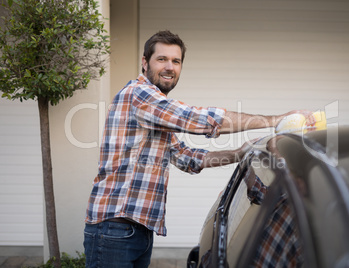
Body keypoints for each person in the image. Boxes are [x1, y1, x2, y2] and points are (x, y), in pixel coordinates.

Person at [84, 30, 315, 268]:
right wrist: (276, 119)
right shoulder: (140, 95)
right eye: (161, 59)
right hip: (115, 228)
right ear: (145, 63)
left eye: (176, 61)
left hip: (136, 230)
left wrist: (239, 153)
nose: (169, 67)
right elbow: (198, 119)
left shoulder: (154, 112)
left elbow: (187, 158)